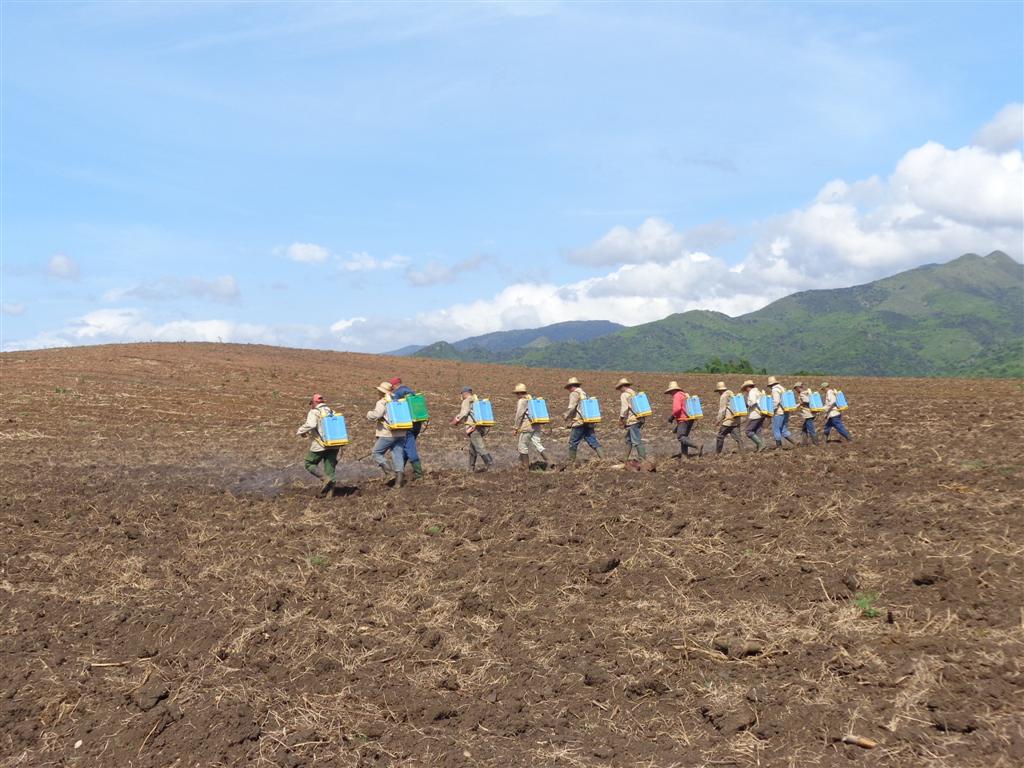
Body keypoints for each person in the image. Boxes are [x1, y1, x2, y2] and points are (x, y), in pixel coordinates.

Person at [366, 381, 407, 487]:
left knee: (376, 453)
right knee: (397, 455)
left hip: (388, 433)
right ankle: (398, 482)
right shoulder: (398, 399)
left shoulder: (382, 402)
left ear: (381, 392)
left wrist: (368, 414)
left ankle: (389, 473)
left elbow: (377, 415)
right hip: (401, 432)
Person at [296, 393, 339, 494]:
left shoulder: (314, 412)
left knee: (309, 463)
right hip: (335, 444)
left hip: (321, 445)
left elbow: (311, 424)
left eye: (311, 403)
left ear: (315, 402)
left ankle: (324, 479)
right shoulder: (332, 411)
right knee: (330, 467)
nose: (311, 405)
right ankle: (330, 493)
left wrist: (300, 431)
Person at [389, 377, 425, 479]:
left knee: (409, 447)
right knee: (405, 448)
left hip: (407, 425)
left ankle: (418, 474)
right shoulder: (410, 391)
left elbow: (394, 407)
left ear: (394, 385)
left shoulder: (398, 393)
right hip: (417, 423)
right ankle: (400, 472)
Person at [451, 386, 493, 471]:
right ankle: (471, 468)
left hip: (473, 428)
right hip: (481, 427)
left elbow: (464, 413)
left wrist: (456, 420)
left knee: (480, 447)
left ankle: (490, 464)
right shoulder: (475, 400)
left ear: (465, 393)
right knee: (472, 449)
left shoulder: (466, 401)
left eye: (461, 393)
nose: (461, 396)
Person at [563, 377, 603, 462]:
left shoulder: (574, 393)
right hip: (588, 421)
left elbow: (572, 408)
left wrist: (566, 416)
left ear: (571, 386)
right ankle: (604, 459)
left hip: (579, 422)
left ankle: (571, 462)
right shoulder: (583, 393)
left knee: (573, 442)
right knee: (592, 440)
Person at [511, 383, 547, 469]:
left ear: (519, 393)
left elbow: (519, 415)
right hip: (536, 426)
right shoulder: (531, 399)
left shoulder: (522, 401)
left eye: (516, 393)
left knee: (522, 446)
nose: (516, 395)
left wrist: (516, 427)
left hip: (527, 427)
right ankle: (552, 462)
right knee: (538, 445)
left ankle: (525, 467)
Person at [665, 381, 702, 458]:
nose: (670, 394)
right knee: (684, 436)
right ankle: (684, 456)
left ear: (673, 390)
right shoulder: (683, 394)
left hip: (683, 419)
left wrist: (672, 417)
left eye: (670, 392)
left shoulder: (676, 396)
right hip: (690, 418)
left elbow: (677, 409)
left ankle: (697, 445)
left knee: (681, 437)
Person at [615, 377, 647, 461]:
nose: (620, 390)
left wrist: (621, 419)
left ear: (622, 387)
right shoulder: (634, 393)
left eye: (620, 388)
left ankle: (642, 459)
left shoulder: (624, 394)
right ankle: (625, 458)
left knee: (636, 440)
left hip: (633, 420)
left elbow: (624, 408)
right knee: (628, 439)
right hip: (640, 418)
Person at [713, 381, 743, 454]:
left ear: (720, 390)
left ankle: (718, 453)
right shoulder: (731, 393)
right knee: (738, 437)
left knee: (720, 436)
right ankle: (743, 452)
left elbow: (722, 410)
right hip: (736, 419)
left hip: (728, 420)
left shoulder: (724, 396)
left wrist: (718, 420)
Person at [768, 375, 797, 449]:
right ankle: (795, 442)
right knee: (783, 429)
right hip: (786, 411)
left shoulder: (775, 390)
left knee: (776, 429)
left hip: (779, 412)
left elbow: (776, 401)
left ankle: (779, 446)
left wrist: (771, 410)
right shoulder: (782, 388)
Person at [742, 379, 767, 452]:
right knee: (757, 430)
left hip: (755, 414)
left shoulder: (752, 392)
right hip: (762, 414)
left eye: (745, 388)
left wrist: (746, 403)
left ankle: (761, 444)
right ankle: (760, 447)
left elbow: (752, 402)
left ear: (747, 387)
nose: (746, 390)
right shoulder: (758, 391)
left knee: (748, 431)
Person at [793, 382, 819, 446]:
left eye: (795, 389)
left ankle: (816, 443)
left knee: (811, 429)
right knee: (804, 429)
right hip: (811, 413)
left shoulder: (802, 394)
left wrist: (800, 404)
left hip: (808, 414)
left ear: (798, 388)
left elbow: (807, 401)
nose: (795, 390)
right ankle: (804, 443)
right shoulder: (807, 392)